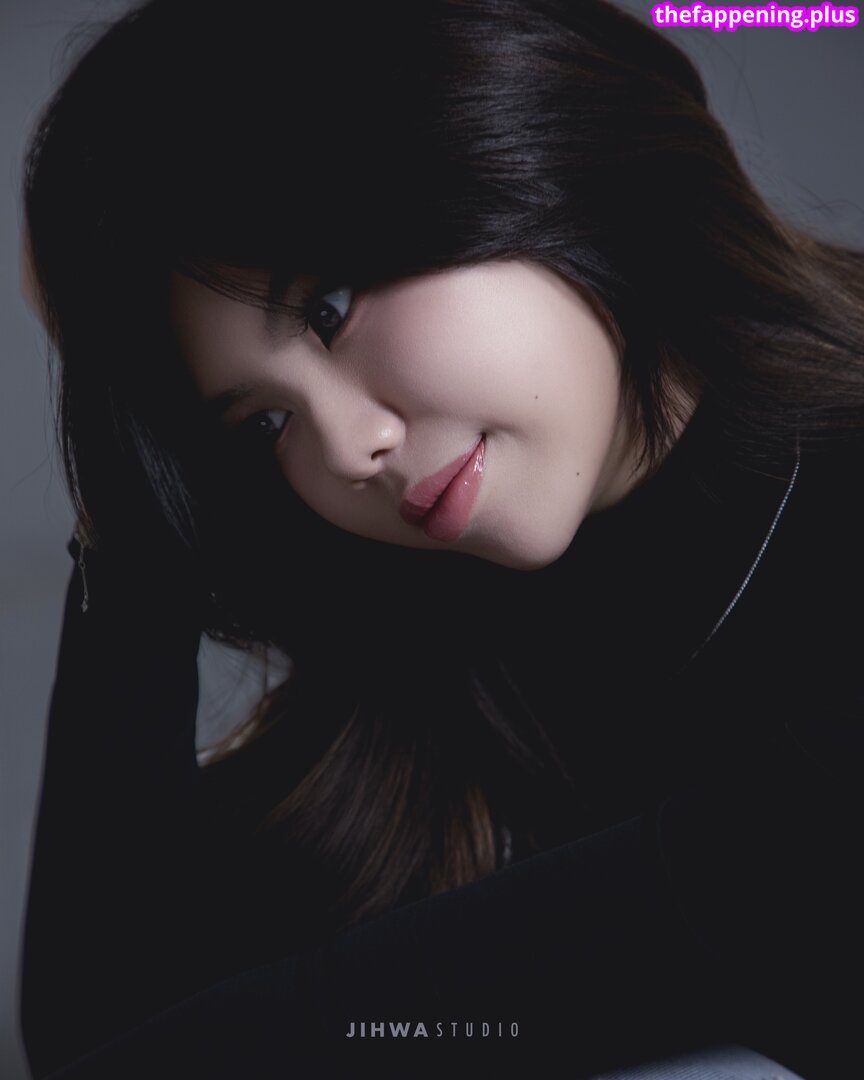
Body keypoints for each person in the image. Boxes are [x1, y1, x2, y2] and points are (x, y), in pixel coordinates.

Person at [18, 0, 864, 1077]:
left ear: (519, 142)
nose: (348, 447)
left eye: (328, 308)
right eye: (264, 422)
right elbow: (105, 1034)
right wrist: (134, 515)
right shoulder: (419, 685)